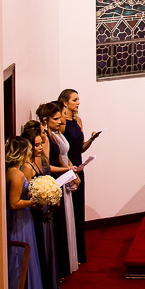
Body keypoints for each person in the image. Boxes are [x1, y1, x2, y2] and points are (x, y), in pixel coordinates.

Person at [5, 136, 48, 289]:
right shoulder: (15, 173)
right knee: (18, 261)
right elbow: (14, 203)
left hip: (24, 218)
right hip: (18, 221)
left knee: (25, 260)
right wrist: (34, 201)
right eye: (29, 149)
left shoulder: (14, 171)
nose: (31, 152)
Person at [58, 89, 102, 265]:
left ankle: (79, 253)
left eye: (78, 99)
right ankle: (69, 255)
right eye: (75, 100)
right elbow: (63, 150)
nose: (78, 102)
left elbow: (80, 148)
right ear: (65, 103)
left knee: (78, 209)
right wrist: (70, 169)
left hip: (79, 167)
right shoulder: (62, 123)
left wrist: (91, 139)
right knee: (70, 210)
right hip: (69, 169)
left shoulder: (78, 120)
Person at [38, 101, 80, 276]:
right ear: (45, 119)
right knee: (60, 223)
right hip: (55, 181)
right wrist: (68, 170)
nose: (59, 121)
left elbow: (61, 159)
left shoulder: (54, 134)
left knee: (67, 220)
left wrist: (70, 170)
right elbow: (48, 165)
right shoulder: (46, 137)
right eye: (56, 118)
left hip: (63, 176)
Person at [21, 121, 59, 289]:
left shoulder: (35, 162)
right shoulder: (26, 167)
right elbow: (27, 192)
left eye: (39, 144)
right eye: (36, 145)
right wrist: (38, 200)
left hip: (40, 211)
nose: (39, 147)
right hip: (33, 213)